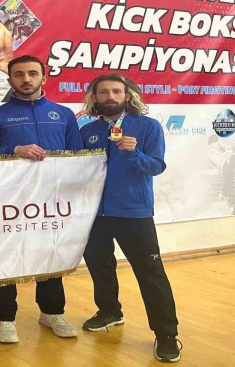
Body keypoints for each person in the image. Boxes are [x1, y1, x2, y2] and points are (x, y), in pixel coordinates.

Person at [0, 55, 82, 343]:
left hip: (51, 202)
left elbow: (78, 157)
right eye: (19, 74)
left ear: (43, 77)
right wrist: (15, 150)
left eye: (32, 73)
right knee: (3, 256)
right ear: (10, 80)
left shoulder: (63, 114)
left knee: (50, 254)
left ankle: (51, 312)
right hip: (8, 202)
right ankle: (4, 318)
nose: (26, 79)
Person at [80, 74, 182, 363]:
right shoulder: (88, 130)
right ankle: (109, 312)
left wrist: (133, 152)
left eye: (116, 91)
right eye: (103, 92)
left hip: (133, 213)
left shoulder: (147, 126)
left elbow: (156, 166)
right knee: (100, 266)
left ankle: (166, 335)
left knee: (151, 274)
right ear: (95, 97)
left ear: (127, 96)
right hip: (95, 213)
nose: (110, 96)